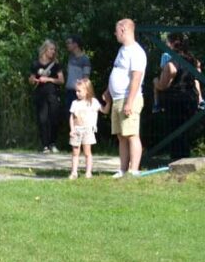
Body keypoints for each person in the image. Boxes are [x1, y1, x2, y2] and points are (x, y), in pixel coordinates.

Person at [105, 18, 147, 177]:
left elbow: (136, 77)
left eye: (116, 30)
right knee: (121, 135)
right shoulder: (122, 50)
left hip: (129, 99)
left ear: (123, 29)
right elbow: (118, 71)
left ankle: (134, 170)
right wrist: (108, 90)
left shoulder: (136, 52)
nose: (115, 33)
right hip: (117, 99)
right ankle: (122, 169)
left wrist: (129, 102)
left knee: (131, 134)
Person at [153, 32, 202, 162]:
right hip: (191, 99)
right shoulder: (194, 61)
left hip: (175, 101)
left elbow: (163, 85)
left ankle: (177, 160)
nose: (166, 45)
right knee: (185, 131)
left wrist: (155, 82)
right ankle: (185, 158)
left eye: (168, 42)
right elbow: (197, 76)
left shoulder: (171, 64)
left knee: (175, 131)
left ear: (174, 44)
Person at [28, 39, 64, 153]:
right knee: (42, 119)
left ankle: (52, 143)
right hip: (40, 95)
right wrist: (33, 80)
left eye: (54, 50)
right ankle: (45, 145)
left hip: (53, 94)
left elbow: (61, 80)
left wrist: (48, 79)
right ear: (45, 49)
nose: (53, 52)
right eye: (51, 49)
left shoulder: (56, 64)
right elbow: (31, 79)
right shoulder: (36, 64)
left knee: (54, 119)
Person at [68, 78, 106, 179]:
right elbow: (72, 117)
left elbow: (104, 110)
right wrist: (72, 129)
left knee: (87, 152)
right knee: (75, 152)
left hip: (88, 130)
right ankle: (74, 172)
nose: (77, 93)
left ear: (87, 91)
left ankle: (88, 172)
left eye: (79, 91)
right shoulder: (75, 103)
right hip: (77, 130)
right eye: (76, 91)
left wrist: (109, 102)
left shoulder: (93, 102)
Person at [64, 35, 91, 108]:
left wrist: (82, 92)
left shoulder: (85, 59)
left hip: (78, 93)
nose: (67, 45)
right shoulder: (70, 57)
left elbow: (86, 78)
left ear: (75, 44)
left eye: (69, 43)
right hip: (68, 91)